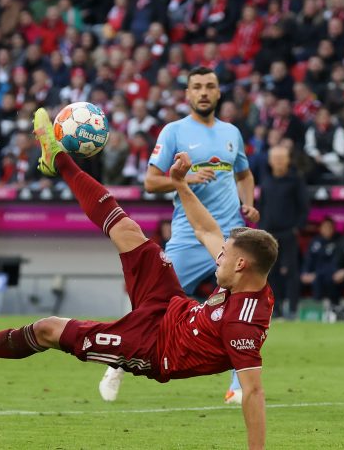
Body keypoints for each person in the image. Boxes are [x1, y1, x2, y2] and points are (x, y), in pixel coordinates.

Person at [0, 109, 277, 450]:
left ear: (242, 264)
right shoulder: (241, 275)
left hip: (154, 347)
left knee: (50, 329)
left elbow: (254, 392)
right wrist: (181, 183)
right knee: (127, 229)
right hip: (171, 306)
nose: (218, 259)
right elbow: (205, 229)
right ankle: (59, 158)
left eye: (225, 256)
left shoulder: (243, 325)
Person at [111, 66, 260, 405]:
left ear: (219, 93)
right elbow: (150, 182)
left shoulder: (232, 133)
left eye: (210, 86)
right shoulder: (174, 131)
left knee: (244, 306)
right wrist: (187, 179)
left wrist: (249, 204)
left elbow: (245, 175)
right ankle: (119, 357)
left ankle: (237, 387)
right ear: (188, 94)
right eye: (197, 87)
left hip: (230, 239)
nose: (204, 92)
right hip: (189, 238)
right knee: (153, 305)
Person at [257, 146, 308, 319]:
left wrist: (296, 228)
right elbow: (261, 206)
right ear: (270, 161)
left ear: (288, 160)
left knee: (291, 272)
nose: (278, 161)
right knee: (271, 273)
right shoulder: (266, 181)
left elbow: (304, 208)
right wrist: (262, 228)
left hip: (288, 234)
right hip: (269, 235)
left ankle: (292, 309)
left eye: (281, 158)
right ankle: (275, 308)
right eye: (275, 158)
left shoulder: (296, 181)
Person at [301, 217, 342, 320]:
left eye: (329, 227)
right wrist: (305, 273)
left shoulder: (339, 242)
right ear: (320, 228)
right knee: (295, 280)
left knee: (325, 280)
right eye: (324, 227)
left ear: (333, 228)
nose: (327, 230)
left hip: (328, 275)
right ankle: (293, 311)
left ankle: (330, 310)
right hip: (313, 274)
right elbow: (308, 259)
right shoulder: (315, 241)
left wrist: (316, 274)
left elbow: (336, 263)